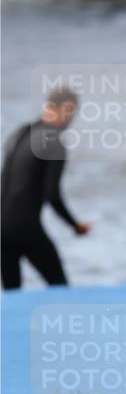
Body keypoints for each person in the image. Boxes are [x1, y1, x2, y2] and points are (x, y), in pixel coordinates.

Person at [1, 87, 90, 290]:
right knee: (60, 288)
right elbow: (52, 195)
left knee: (12, 294)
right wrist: (75, 226)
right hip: (25, 228)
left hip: (1, 228)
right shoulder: (54, 142)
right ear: (66, 109)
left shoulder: (19, 133)